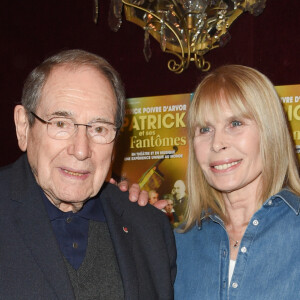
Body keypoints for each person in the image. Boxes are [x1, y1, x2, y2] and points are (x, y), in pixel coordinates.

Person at [0, 49, 176, 299]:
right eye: (61, 123)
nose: (81, 150)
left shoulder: (149, 228)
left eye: (99, 129)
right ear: (23, 127)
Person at [133, 65, 300, 299]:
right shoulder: (177, 244)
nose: (216, 143)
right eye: (205, 129)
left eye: (235, 124)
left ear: (270, 131)